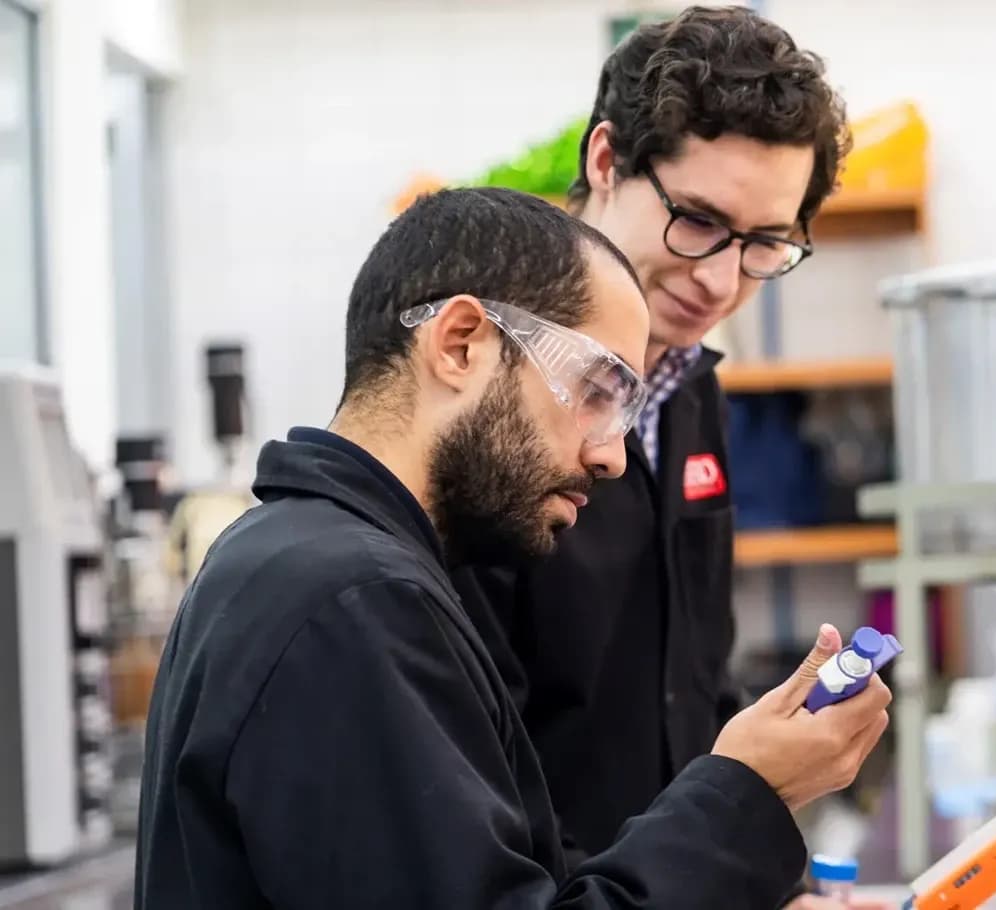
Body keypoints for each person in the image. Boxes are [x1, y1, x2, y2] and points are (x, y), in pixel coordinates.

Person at [135, 187, 890, 909]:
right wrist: (747, 792)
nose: (612, 456)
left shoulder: (307, 562)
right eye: (596, 389)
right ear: (461, 345)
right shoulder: (353, 602)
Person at [452, 9, 873, 908]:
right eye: (698, 221)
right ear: (607, 161)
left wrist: (776, 884)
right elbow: (477, 757)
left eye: (765, 243)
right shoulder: (490, 400)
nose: (721, 279)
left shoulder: (688, 389)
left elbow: (696, 683)